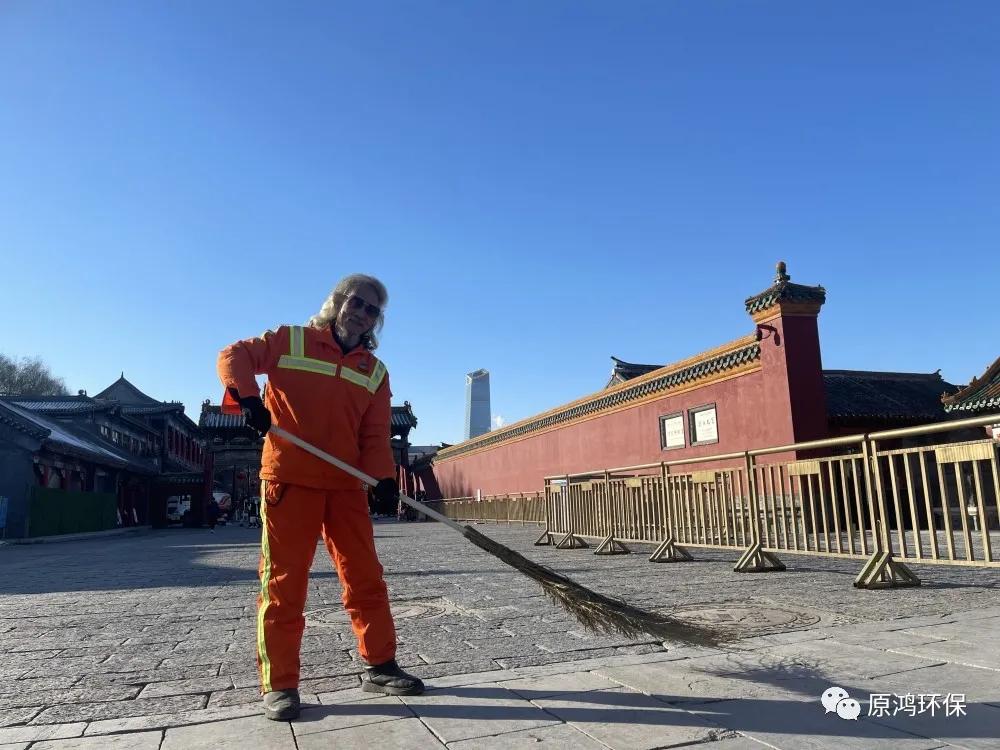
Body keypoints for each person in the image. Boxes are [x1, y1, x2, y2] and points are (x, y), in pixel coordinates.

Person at [216, 273, 424, 722]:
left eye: (372, 310)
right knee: (285, 585)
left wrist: (383, 479)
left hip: (346, 487)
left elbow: (373, 434)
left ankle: (380, 663)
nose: (362, 313)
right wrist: (250, 399)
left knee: (366, 577)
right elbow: (234, 355)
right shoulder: (291, 341)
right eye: (357, 302)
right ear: (338, 302)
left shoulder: (374, 372)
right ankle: (281, 685)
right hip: (291, 480)